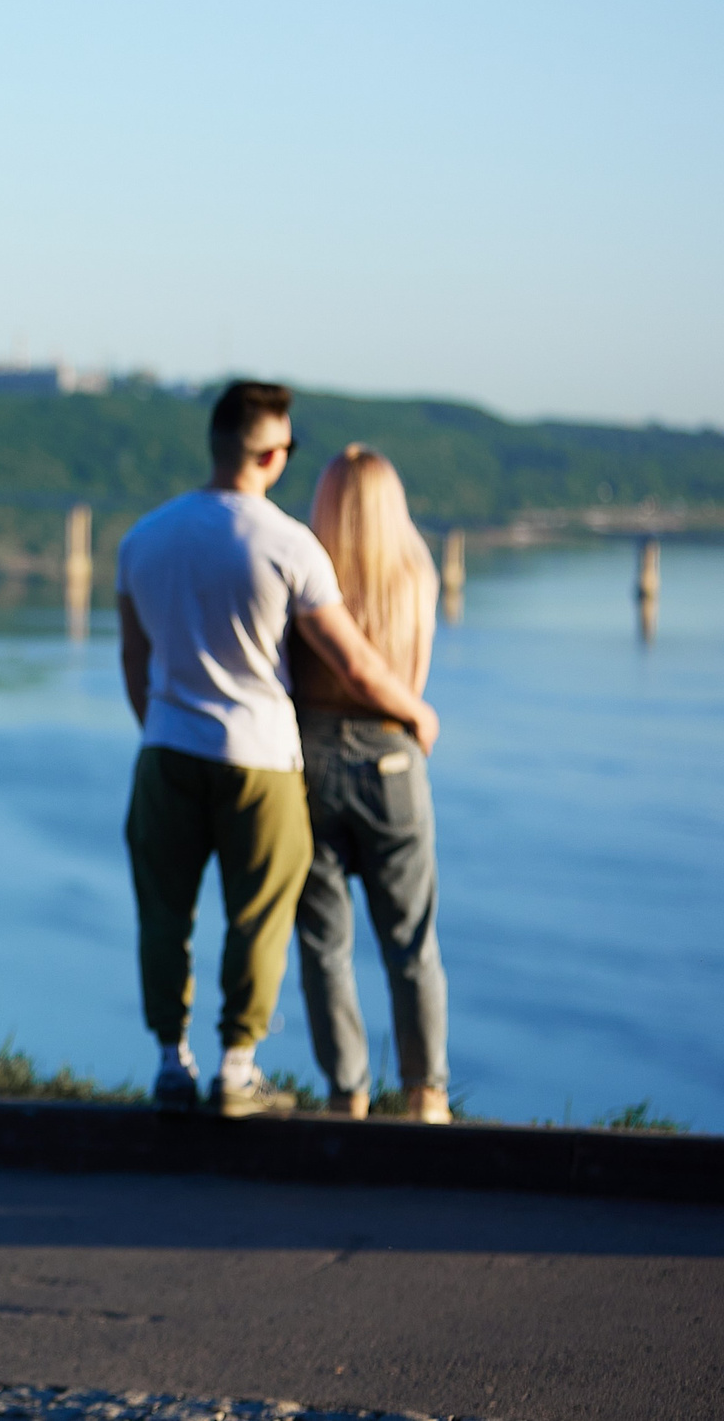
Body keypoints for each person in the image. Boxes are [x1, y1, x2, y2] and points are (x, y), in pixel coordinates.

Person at [115, 381, 439, 1118]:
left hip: (166, 749)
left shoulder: (143, 539)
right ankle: (237, 1067)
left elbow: (135, 663)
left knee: (165, 912)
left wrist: (160, 726)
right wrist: (415, 710)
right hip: (260, 757)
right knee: (257, 914)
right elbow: (353, 662)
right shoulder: (291, 544)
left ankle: (172, 1061)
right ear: (271, 454)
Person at [292, 446, 451, 1124]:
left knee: (325, 944)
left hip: (310, 756)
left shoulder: (303, 569)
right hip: (393, 757)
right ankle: (426, 1093)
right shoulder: (415, 573)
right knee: (411, 941)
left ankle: (346, 1094)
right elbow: (407, 682)